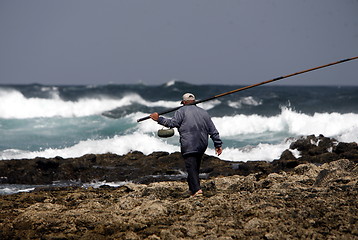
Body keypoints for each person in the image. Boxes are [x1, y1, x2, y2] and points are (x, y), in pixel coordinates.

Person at [150, 93, 223, 197]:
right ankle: (192, 189)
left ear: (183, 102)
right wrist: (218, 144)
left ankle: (197, 190)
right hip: (202, 144)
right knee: (194, 167)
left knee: (191, 167)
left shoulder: (181, 111)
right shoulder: (204, 113)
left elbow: (172, 123)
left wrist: (158, 119)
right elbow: (213, 131)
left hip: (189, 144)